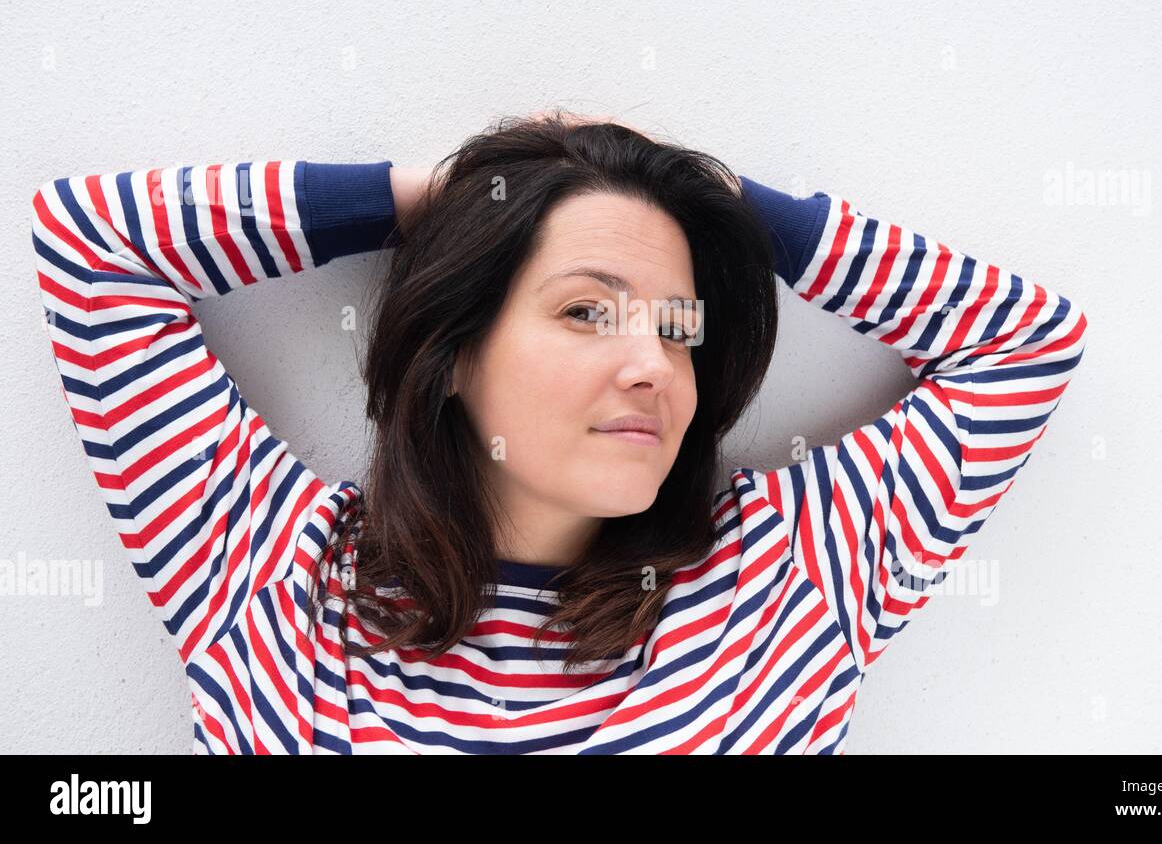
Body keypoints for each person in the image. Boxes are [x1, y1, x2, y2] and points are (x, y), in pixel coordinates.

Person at [29, 110, 1088, 754]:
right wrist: (442, 201)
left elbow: (1025, 345)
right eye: (588, 310)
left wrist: (717, 203)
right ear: (456, 354)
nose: (651, 366)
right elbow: (87, 248)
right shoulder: (272, 574)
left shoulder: (787, 579)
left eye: (678, 329)